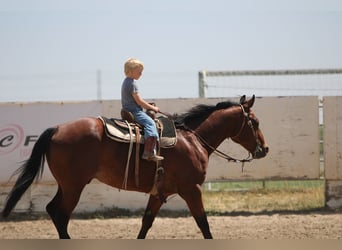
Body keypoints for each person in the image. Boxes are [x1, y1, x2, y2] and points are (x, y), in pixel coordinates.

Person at [121, 58, 164, 162]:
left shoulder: (126, 81)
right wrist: (153, 108)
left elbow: (136, 100)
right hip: (135, 111)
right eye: (139, 71)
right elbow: (139, 101)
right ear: (131, 71)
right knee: (150, 123)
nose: (141, 73)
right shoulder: (132, 83)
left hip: (128, 109)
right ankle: (149, 152)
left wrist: (147, 105)